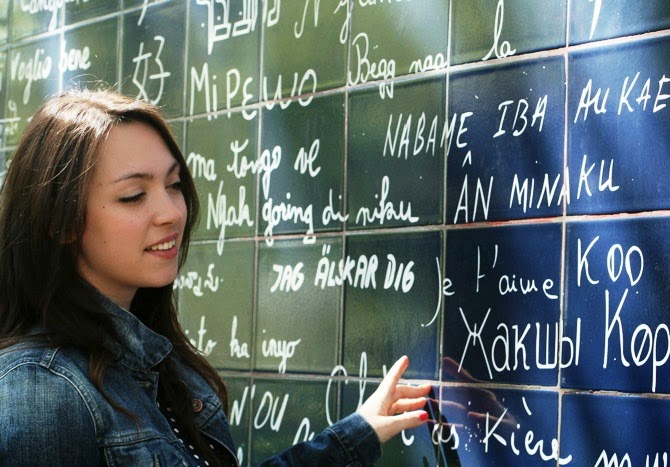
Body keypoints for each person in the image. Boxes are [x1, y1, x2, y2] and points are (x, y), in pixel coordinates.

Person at [0, 89, 431, 466]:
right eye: (133, 196)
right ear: (61, 222)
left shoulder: (155, 367)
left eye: (173, 185)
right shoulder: (42, 392)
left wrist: (360, 432)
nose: (172, 212)